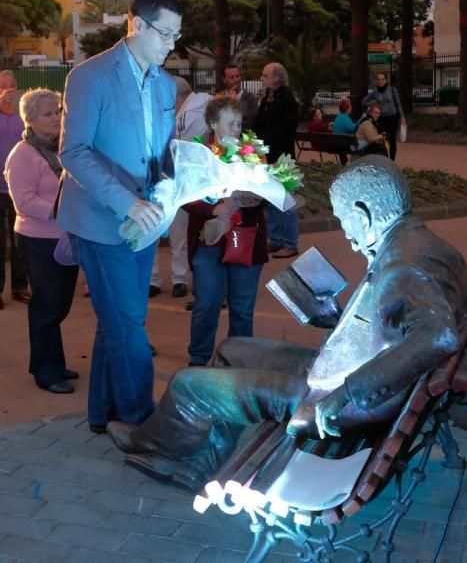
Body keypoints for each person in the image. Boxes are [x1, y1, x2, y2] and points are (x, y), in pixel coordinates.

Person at [107, 156, 466, 491]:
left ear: (364, 213)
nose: (346, 234)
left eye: (343, 221)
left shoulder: (405, 265)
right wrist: (336, 319)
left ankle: (159, 448)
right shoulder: (423, 245)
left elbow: (438, 336)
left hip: (332, 403)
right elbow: (397, 327)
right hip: (339, 376)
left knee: (188, 384)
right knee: (232, 349)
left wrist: (347, 394)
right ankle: (200, 457)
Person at [57, 0, 183, 431]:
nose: (172, 45)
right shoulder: (89, 76)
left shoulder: (166, 84)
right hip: (100, 219)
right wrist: (126, 202)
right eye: (165, 34)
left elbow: (163, 153)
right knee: (129, 323)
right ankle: (139, 419)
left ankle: (100, 415)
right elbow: (73, 152)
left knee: (117, 317)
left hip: (144, 221)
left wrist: (198, 176)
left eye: (176, 36)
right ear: (137, 24)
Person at [181, 96, 268, 367]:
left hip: (246, 239)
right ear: (212, 123)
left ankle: (238, 363)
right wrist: (214, 210)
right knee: (206, 304)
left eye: (239, 123)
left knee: (242, 308)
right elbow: (185, 196)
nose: (235, 129)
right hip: (209, 242)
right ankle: (198, 360)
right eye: (230, 123)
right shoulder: (197, 155)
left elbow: (267, 189)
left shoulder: (252, 152)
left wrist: (256, 194)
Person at [4, 89, 79, 394]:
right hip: (38, 240)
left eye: (58, 111)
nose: (56, 118)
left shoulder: (63, 149)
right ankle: (46, 372)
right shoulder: (22, 154)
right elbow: (22, 202)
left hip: (66, 238)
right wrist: (60, 208)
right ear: (30, 119)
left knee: (60, 305)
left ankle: (52, 362)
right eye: (48, 114)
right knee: (46, 306)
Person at [149, 76, 212, 299]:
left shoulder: (190, 113)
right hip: (172, 181)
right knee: (176, 232)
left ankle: (166, 279)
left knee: (163, 231)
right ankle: (175, 279)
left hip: (172, 180)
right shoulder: (197, 107)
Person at [254, 62, 299, 259]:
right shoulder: (267, 99)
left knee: (286, 202)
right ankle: (276, 239)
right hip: (268, 155)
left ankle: (290, 243)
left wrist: (265, 138)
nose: (262, 78)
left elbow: (288, 129)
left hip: (283, 157)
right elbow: (259, 122)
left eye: (265, 75)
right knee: (272, 200)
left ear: (276, 78)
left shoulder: (287, 99)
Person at [0, 70, 29, 310]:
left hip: (19, 187)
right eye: (3, 86)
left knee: (20, 240)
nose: (7, 90)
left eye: (11, 85)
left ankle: (20, 287)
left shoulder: (23, 115)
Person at [362, 72, 405, 160]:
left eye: (382, 79)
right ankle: (385, 160)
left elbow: (398, 104)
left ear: (386, 80)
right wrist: (374, 103)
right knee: (382, 140)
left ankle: (392, 161)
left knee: (392, 141)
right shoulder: (375, 92)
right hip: (382, 119)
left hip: (392, 118)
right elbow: (364, 101)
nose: (380, 81)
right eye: (378, 79)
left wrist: (402, 117)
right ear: (376, 81)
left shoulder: (392, 90)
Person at [215, 64, 258, 129]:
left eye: (237, 76)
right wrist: (228, 100)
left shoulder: (250, 98)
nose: (236, 80)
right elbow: (215, 120)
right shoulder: (218, 97)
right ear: (224, 80)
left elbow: (250, 123)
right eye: (231, 77)